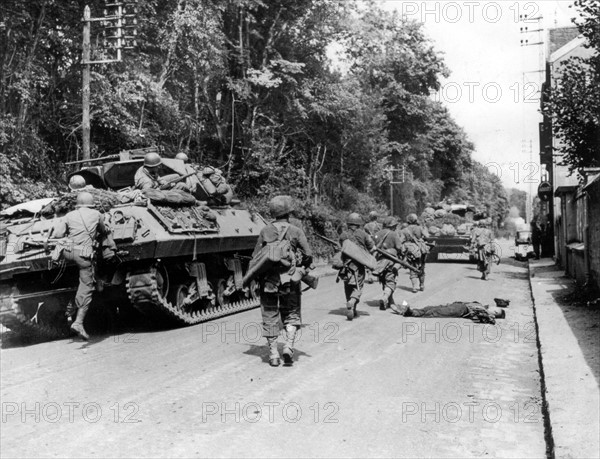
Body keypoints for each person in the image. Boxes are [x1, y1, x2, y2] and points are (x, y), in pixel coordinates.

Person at [45, 192, 116, 340]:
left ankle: (71, 305)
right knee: (86, 285)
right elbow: (104, 231)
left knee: (75, 276)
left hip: (67, 252)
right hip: (83, 256)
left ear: (77, 204)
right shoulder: (97, 214)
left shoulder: (69, 215)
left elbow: (58, 234)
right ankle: (78, 322)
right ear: (91, 203)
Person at [253, 195, 312, 367]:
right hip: (290, 279)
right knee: (292, 313)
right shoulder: (296, 230)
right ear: (288, 212)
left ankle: (273, 354)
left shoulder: (265, 230)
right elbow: (308, 254)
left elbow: (256, 257)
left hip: (269, 281)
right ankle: (288, 346)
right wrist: (304, 268)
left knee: (270, 315)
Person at [338, 213, 375, 321]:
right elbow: (372, 248)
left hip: (346, 265)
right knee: (358, 286)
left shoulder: (343, 235)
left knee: (347, 286)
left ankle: (352, 308)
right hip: (359, 265)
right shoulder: (363, 234)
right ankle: (352, 302)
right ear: (359, 223)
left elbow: (340, 248)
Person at [373, 217, 405, 311]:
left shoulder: (377, 234)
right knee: (391, 281)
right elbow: (399, 247)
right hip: (391, 261)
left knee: (384, 281)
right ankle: (384, 298)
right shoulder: (393, 234)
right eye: (395, 226)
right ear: (393, 226)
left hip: (379, 262)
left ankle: (390, 301)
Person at [393, 300, 506, 324]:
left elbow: (487, 319)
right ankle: (403, 309)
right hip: (457, 305)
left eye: (495, 310)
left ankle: (410, 313)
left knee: (434, 312)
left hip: (460, 310)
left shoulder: (485, 312)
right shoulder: (483, 306)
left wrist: (490, 317)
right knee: (430, 307)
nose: (492, 307)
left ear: (494, 313)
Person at [401, 213, 429, 292]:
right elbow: (427, 236)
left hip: (410, 250)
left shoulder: (404, 230)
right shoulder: (419, 228)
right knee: (421, 267)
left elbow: (401, 241)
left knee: (412, 268)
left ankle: (414, 287)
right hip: (420, 249)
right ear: (416, 220)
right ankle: (422, 285)